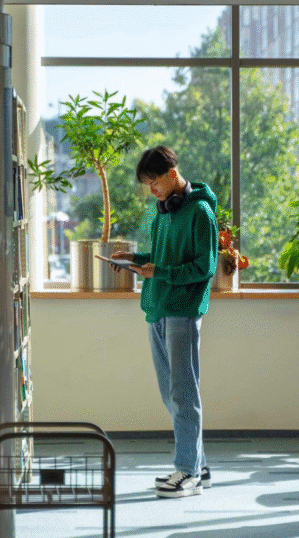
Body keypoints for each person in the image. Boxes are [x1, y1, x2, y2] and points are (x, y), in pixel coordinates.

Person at [110, 145, 217, 499]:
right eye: (147, 184)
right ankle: (198, 464)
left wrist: (162, 271)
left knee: (183, 393)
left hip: (182, 311)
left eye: (153, 181)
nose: (151, 190)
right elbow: (158, 259)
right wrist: (134, 259)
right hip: (157, 307)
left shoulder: (200, 211)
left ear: (172, 174)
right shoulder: (163, 213)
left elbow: (206, 267)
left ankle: (187, 472)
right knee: (169, 392)